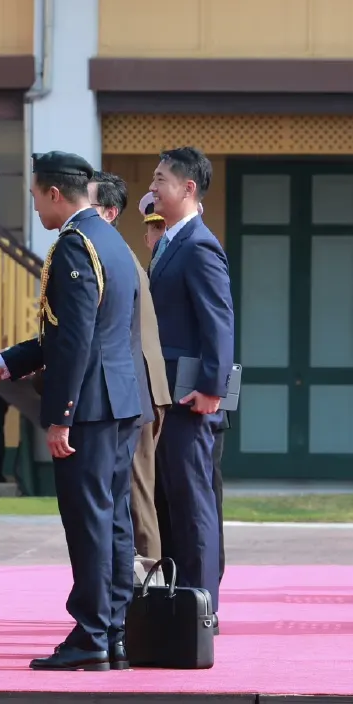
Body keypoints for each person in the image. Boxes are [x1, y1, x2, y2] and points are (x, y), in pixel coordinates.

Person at [0, 151, 141, 671]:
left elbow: (73, 340)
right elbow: (75, 333)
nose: (35, 206)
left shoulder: (74, 244)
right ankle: (115, 630)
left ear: (54, 193)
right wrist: (5, 361)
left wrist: (61, 414)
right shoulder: (110, 239)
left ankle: (91, 634)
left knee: (89, 522)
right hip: (119, 400)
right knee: (114, 521)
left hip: (88, 406)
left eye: (35, 196)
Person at [147, 147, 234, 628]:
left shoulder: (199, 244)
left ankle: (202, 610)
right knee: (172, 501)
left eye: (161, 179)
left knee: (194, 503)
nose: (153, 187)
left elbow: (218, 320)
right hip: (167, 395)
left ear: (188, 188)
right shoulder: (170, 241)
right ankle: (179, 602)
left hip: (190, 398)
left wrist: (211, 387)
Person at [90, 175, 172, 570]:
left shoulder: (112, 256)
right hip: (134, 387)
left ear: (108, 213)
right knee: (128, 495)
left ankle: (149, 587)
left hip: (134, 391)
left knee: (137, 499)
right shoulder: (114, 252)